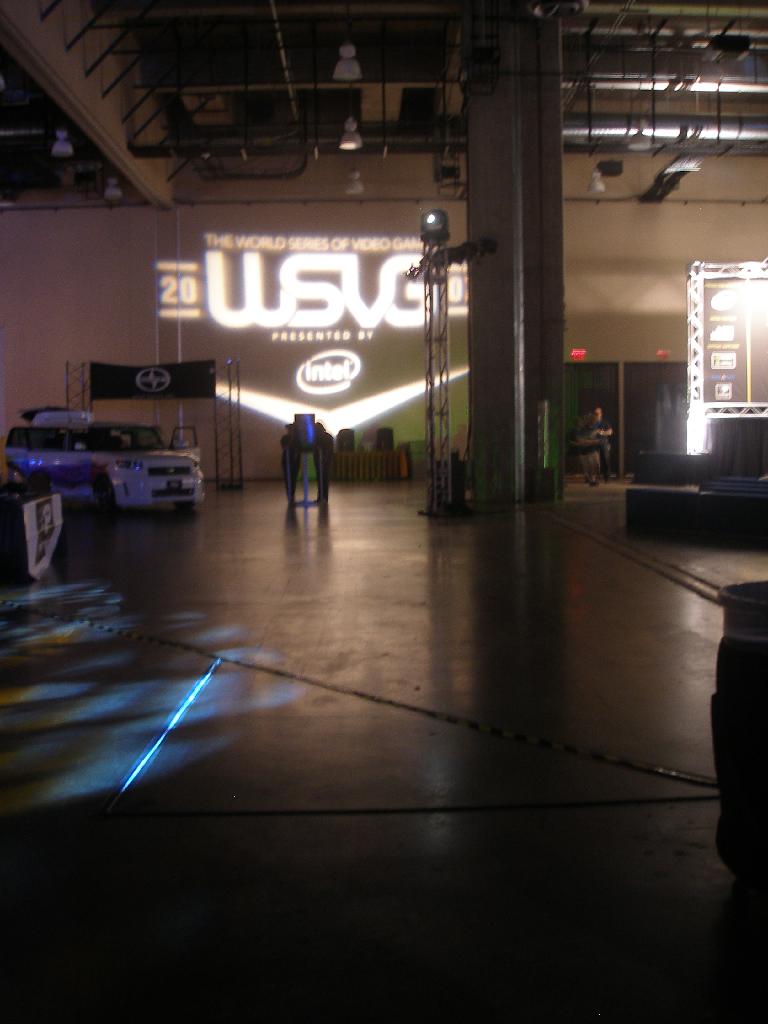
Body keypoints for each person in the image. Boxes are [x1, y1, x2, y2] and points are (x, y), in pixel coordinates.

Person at [568, 413, 602, 486]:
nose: (593, 422)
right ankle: (592, 480)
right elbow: (580, 440)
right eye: (592, 420)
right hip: (584, 451)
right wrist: (591, 441)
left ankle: (592, 479)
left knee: (595, 465)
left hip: (592, 450)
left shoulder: (595, 430)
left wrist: (588, 442)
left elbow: (599, 440)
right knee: (589, 466)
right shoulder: (581, 430)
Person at [592, 406, 613, 482]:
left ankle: (607, 477)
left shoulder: (605, 422)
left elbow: (610, 432)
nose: (596, 415)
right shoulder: (592, 423)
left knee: (605, 460)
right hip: (593, 443)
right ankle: (593, 478)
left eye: (598, 413)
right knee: (594, 461)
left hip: (603, 443)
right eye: (595, 413)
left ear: (601, 414)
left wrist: (601, 432)